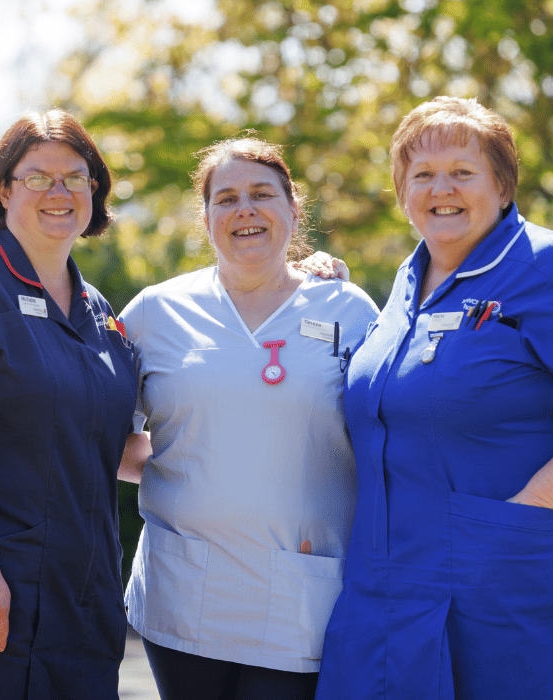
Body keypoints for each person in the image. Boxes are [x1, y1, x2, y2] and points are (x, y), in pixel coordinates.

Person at [315, 96, 553, 699]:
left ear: (503, 188)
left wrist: (516, 528)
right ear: (402, 195)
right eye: (421, 175)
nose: (439, 188)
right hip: (388, 597)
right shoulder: (401, 288)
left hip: (519, 594)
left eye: (461, 172)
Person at [118, 135, 378, 700]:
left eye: (262, 194)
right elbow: (103, 435)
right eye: (226, 198)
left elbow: (384, 436)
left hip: (301, 592)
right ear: (206, 215)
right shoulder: (154, 313)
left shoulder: (348, 310)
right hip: (185, 588)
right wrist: (186, 468)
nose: (245, 210)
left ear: (292, 208)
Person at [0, 110, 143, 699]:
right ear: (4, 190)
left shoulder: (101, 317)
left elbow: (112, 450)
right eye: (38, 177)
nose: (59, 192)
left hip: (80, 596)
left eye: (76, 177)